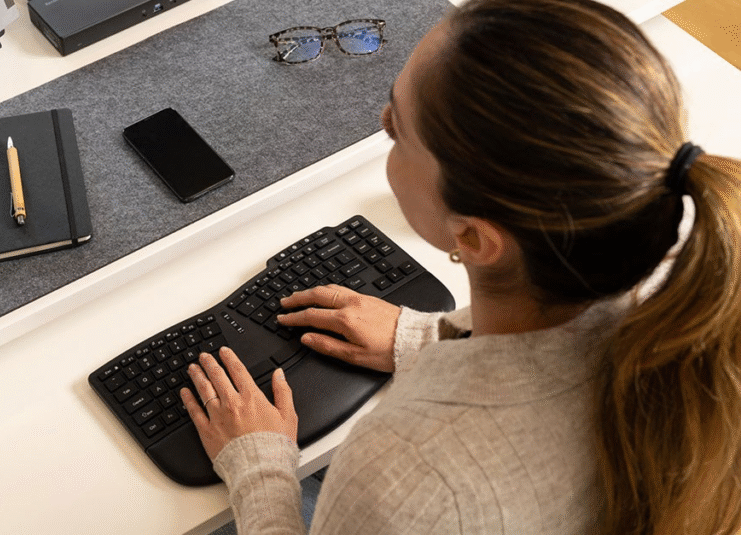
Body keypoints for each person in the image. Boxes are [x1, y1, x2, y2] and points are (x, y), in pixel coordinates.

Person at [178, 0, 741, 533]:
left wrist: (260, 466)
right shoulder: (672, 296)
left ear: (472, 236)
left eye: (397, 128)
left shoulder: (403, 475)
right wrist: (417, 336)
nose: (382, 123)